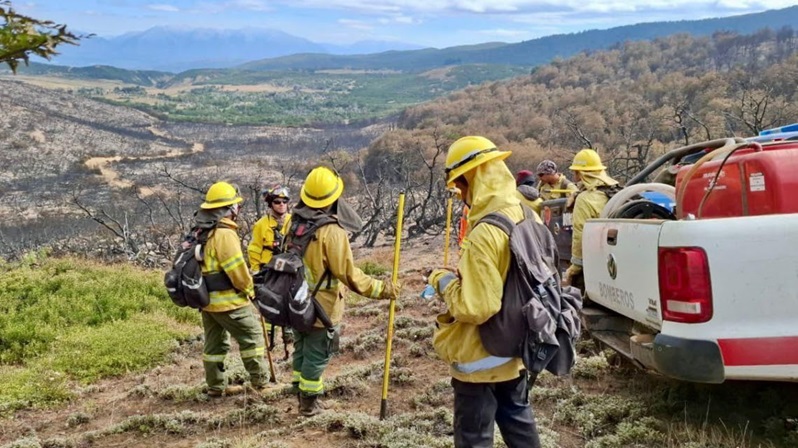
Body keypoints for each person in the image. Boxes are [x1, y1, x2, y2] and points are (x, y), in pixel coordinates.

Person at [427, 136, 541, 448]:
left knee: (474, 437)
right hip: (516, 348)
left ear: (472, 178)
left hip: (479, 359)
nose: (460, 193)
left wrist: (442, 281)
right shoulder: (526, 213)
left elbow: (476, 308)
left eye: (459, 185)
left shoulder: (484, 233)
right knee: (519, 424)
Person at [292, 166, 399, 416]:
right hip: (323, 308)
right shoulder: (332, 232)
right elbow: (349, 274)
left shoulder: (295, 223)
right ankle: (309, 404)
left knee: (302, 349)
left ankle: (299, 393)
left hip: (296, 302)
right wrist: (383, 289)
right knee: (318, 356)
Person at [196, 181, 269, 397]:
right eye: (235, 205)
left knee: (215, 345)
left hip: (207, 302)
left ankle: (216, 387)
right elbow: (236, 270)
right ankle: (261, 384)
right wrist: (251, 290)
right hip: (229, 301)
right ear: (229, 208)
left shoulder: (203, 232)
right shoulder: (224, 234)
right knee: (252, 336)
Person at [248, 185, 293, 356]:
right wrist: (255, 270)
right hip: (268, 271)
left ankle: (288, 336)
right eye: (277, 202)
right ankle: (268, 337)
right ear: (270, 203)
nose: (281, 205)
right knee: (268, 303)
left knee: (289, 302)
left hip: (288, 270)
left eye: (284, 201)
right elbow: (254, 249)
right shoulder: (261, 224)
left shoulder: (292, 221)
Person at [565, 149, 620, 290]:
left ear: (580, 174)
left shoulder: (584, 199)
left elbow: (579, 235)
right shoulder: (618, 192)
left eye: (575, 172)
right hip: (617, 261)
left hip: (594, 263)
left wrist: (575, 267)